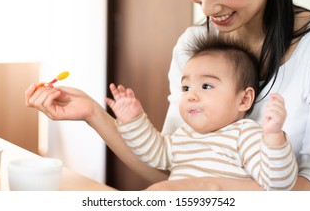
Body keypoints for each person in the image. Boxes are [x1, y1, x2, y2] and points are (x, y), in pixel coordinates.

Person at [25, 0, 310, 190]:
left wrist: (206, 187)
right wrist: (93, 114)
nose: (208, 8)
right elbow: (168, 164)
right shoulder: (192, 46)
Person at [105, 35, 298, 190]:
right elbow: (156, 154)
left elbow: (277, 184)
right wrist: (133, 120)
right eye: (186, 88)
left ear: (244, 99)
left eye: (206, 85)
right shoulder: (184, 134)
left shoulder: (244, 134)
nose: (191, 96)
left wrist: (274, 137)